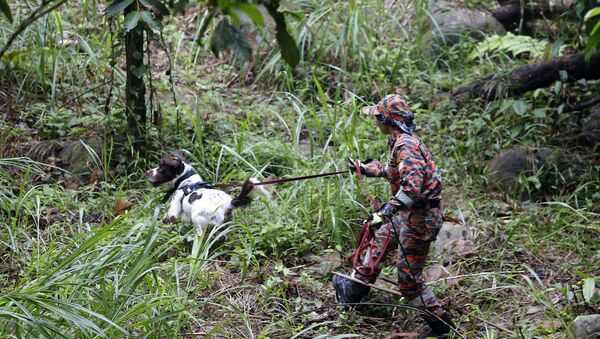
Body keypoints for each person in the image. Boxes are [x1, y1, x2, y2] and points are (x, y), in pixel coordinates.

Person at [333, 94, 455, 338]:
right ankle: (353, 292)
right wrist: (366, 168)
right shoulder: (397, 141)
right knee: (379, 239)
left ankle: (442, 325)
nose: (375, 122)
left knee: (408, 281)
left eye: (377, 118)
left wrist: (385, 212)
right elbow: (392, 172)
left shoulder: (406, 146)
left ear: (386, 120)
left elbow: (412, 187)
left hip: (420, 219)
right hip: (408, 215)